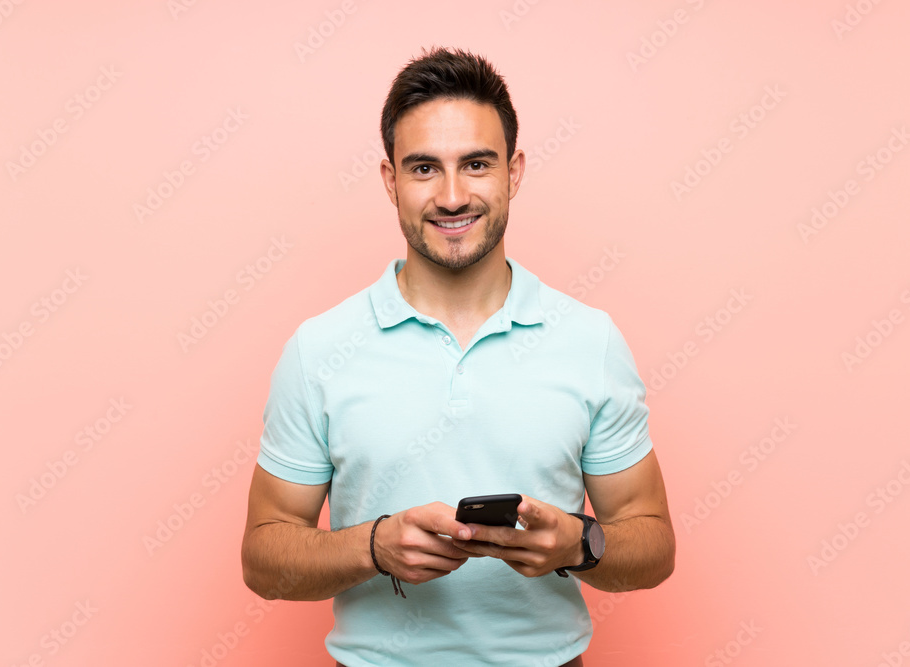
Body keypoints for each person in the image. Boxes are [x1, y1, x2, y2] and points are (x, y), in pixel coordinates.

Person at [241, 46, 676, 667]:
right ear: (390, 181)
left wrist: (579, 543)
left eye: (476, 164)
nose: (451, 196)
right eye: (423, 168)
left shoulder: (590, 340)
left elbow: (653, 544)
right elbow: (263, 558)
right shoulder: (320, 349)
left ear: (513, 173)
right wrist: (372, 546)